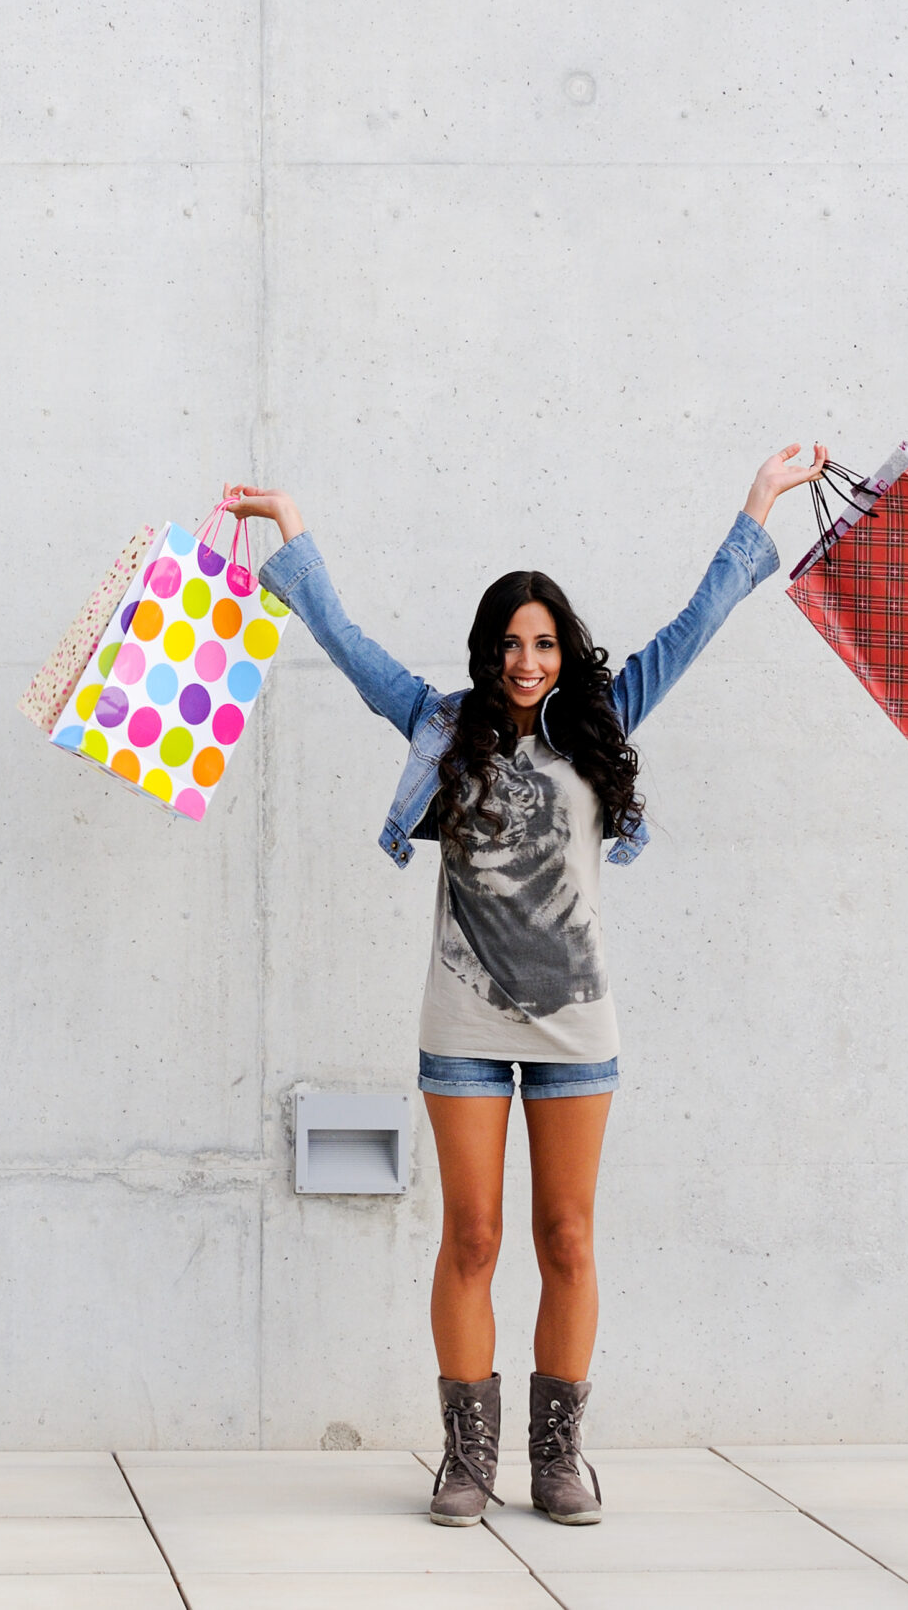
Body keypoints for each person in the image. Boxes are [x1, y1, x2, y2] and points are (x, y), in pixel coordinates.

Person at [222, 447, 826, 1527]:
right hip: (458, 1023)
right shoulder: (440, 725)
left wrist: (759, 501)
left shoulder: (603, 721)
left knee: (568, 1236)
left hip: (576, 1026)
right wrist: (289, 526)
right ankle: (465, 1457)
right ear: (485, 649)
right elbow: (346, 640)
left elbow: (695, 622)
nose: (526, 659)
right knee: (472, 1236)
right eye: (509, 642)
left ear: (566, 651)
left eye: (544, 642)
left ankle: (555, 1454)